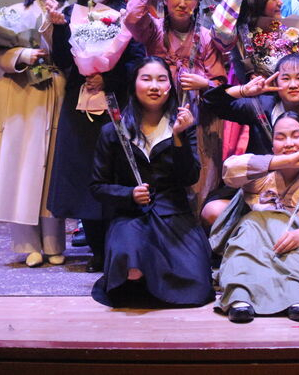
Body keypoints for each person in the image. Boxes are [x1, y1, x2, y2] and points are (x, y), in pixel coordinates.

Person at [48, 0, 144, 273]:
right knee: (84, 178)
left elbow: (137, 62)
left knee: (116, 177)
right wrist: (59, 29)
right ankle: (97, 251)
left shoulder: (125, 16)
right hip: (80, 110)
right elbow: (63, 60)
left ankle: (119, 250)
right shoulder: (72, 14)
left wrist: (109, 78)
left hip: (117, 108)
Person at [90, 57, 214, 308]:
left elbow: (189, 178)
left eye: (161, 79)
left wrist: (178, 138)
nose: (154, 86)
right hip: (131, 215)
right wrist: (129, 194)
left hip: (173, 214)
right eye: (146, 79)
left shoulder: (183, 125)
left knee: (196, 286)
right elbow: (97, 187)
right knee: (132, 269)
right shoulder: (113, 130)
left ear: (170, 86)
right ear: (134, 84)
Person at [210, 112, 299, 323]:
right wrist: (284, 161)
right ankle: (240, 296)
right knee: (251, 226)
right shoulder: (261, 173)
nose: (289, 143)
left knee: (287, 233)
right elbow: (230, 169)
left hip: (287, 248)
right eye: (280, 137)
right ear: (272, 144)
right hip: (252, 244)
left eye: (296, 136)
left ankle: (297, 295)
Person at [123, 0, 228, 208]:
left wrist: (204, 83)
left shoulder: (206, 37)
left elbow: (220, 83)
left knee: (197, 176)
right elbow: (133, 16)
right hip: (155, 115)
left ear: (197, 2)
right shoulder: (154, 30)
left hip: (196, 119)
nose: (182, 3)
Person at [0, 0, 70, 267]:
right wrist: (22, 54)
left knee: (50, 169)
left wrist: (56, 24)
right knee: (21, 166)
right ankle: (28, 244)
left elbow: (70, 52)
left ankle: (53, 243)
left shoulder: (71, 11)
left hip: (54, 90)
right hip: (21, 93)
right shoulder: (13, 12)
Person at [201, 53, 299, 225]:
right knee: (212, 211)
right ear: (276, 82)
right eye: (285, 78)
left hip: (296, 197)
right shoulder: (260, 107)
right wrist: (244, 91)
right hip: (254, 189)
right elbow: (211, 102)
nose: (293, 85)